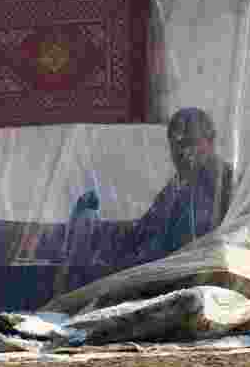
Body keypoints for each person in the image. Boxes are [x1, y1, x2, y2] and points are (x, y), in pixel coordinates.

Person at [72, 108, 234, 267]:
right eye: (176, 145)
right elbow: (144, 231)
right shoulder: (176, 188)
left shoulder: (229, 183)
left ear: (210, 140)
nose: (183, 153)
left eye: (190, 143)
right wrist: (94, 231)